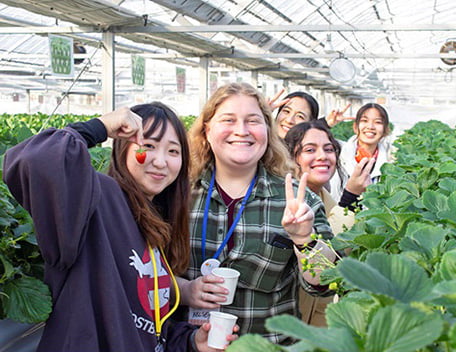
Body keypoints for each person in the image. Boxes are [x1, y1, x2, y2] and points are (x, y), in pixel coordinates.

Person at [3, 102, 237, 352]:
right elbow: (33, 158)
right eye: (148, 146)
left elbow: (146, 326)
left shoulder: (153, 223)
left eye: (172, 151)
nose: (160, 162)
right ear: (122, 148)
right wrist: (98, 127)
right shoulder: (97, 199)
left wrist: (192, 342)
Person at [176, 82, 335, 345]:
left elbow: (326, 281)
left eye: (253, 121)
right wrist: (184, 290)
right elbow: (148, 271)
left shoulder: (296, 198)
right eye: (228, 120)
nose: (241, 131)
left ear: (267, 131)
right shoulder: (178, 194)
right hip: (189, 344)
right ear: (206, 130)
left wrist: (304, 240)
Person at [284, 120, 355, 327]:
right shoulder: (279, 203)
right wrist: (350, 199)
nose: (322, 156)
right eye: (309, 150)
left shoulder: (327, 202)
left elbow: (336, 258)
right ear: (290, 157)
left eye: (329, 149)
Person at [329, 103, 392, 208]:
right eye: (364, 121)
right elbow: (302, 135)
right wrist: (327, 124)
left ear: (385, 130)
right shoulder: (336, 151)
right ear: (355, 127)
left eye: (377, 122)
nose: (370, 127)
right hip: (335, 218)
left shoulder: (391, 163)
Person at [269, 89, 352, 139]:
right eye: (286, 111)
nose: (289, 120)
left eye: (300, 116)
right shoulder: (262, 145)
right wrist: (262, 114)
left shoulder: (306, 155)